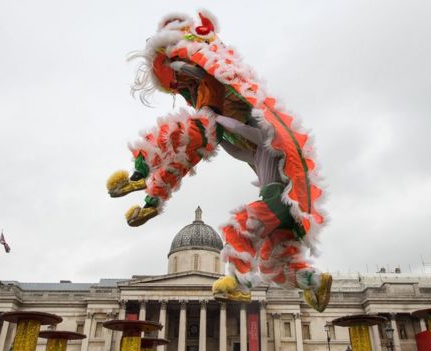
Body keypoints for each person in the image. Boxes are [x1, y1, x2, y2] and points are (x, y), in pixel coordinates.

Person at [106, 11, 332, 311]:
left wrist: (217, 119)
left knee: (240, 226)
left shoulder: (266, 141)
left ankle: (237, 282)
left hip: (281, 198)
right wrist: (213, 126)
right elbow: (213, 149)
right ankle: (313, 281)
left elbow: (232, 132)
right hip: (282, 203)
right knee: (272, 263)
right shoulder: (252, 152)